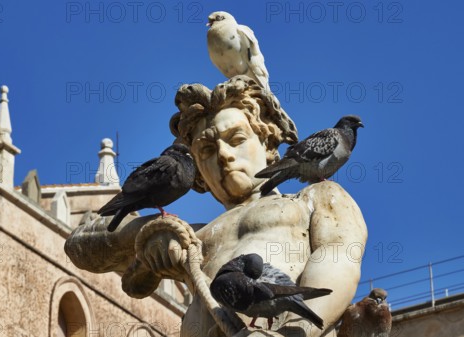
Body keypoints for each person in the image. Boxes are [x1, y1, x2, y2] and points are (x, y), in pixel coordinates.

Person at [65, 76, 367, 337]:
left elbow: (337, 260)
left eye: (236, 138)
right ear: (196, 169)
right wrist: (147, 234)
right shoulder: (193, 235)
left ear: (269, 145)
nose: (223, 155)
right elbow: (80, 248)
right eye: (207, 149)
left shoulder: (315, 198)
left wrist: (291, 332)